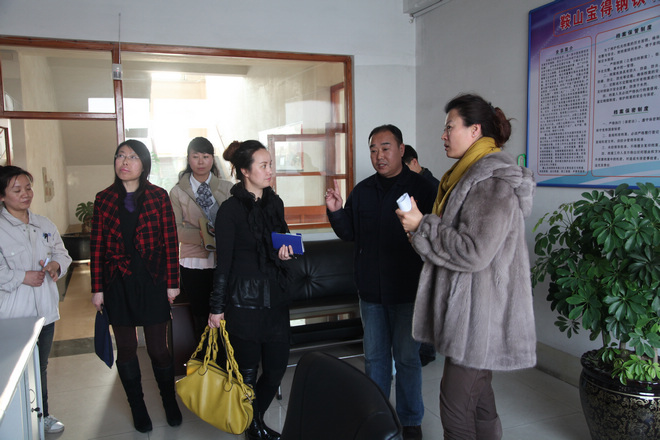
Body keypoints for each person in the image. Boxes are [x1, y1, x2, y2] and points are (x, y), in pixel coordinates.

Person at [397, 94, 537, 440]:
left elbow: (474, 252)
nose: (443, 135)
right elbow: (454, 245)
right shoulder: (464, 176)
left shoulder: (490, 181)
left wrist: (423, 225)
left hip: (479, 317)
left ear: (475, 130)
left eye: (450, 127)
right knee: (480, 400)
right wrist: (419, 230)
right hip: (471, 314)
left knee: (455, 407)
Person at [324, 124, 436, 440]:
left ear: (401, 149)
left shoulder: (423, 189)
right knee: (375, 360)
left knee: (407, 359)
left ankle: (411, 421)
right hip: (371, 291)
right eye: (373, 149)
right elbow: (349, 232)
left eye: (385, 148)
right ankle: (377, 418)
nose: (379, 155)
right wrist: (336, 211)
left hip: (408, 290)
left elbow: (435, 237)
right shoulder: (362, 191)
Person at [90, 140, 182, 433]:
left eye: (132, 157)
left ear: (144, 164)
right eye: (120, 156)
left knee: (158, 349)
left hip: (152, 280)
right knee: (127, 348)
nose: (125, 162)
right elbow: (97, 247)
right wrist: (97, 288)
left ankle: (169, 401)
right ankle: (137, 406)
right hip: (117, 281)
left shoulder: (158, 196)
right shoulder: (104, 198)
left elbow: (170, 242)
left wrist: (172, 284)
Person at [208, 140, 294, 440]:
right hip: (243, 304)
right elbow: (223, 264)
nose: (270, 170)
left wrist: (286, 253)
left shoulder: (275, 203)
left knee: (276, 369)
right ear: (245, 171)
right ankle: (253, 428)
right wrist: (216, 308)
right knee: (246, 374)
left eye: (270, 164)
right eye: (263, 165)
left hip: (276, 300)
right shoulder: (229, 211)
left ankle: (251, 420)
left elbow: (281, 239)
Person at [0, 165, 72, 434]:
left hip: (44, 312)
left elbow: (63, 254)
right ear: (2, 196)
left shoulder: (44, 224)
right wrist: (22, 277)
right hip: (13, 315)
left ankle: (42, 415)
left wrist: (55, 265)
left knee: (40, 367)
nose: (25, 194)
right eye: (17, 190)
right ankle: (13, 423)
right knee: (12, 371)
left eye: (28, 188)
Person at [170, 136, 232, 341]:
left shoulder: (227, 188)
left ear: (212, 159)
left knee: (226, 314)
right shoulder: (177, 191)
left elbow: (235, 224)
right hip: (193, 261)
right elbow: (175, 230)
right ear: (188, 159)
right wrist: (205, 236)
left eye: (205, 156)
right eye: (195, 156)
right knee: (200, 316)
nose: (201, 161)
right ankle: (205, 358)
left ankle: (225, 357)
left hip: (224, 259)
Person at [402, 144, 439, 367]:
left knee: (426, 303)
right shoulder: (411, 184)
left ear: (414, 162)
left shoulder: (431, 187)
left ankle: (426, 351)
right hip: (414, 250)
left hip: (428, 252)